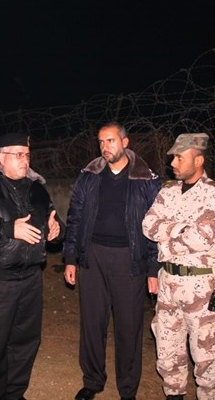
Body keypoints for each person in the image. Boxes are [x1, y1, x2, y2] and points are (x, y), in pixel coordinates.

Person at [63, 122, 161, 400]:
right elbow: (75, 217)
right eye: (101, 142)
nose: (105, 147)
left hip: (129, 259)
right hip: (93, 257)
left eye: (111, 140)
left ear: (125, 142)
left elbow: (157, 228)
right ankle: (92, 380)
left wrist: (153, 269)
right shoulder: (89, 176)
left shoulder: (146, 179)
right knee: (92, 323)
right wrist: (70, 258)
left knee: (128, 327)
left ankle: (127, 389)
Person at [0, 132, 63, 400]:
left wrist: (56, 230)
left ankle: (14, 393)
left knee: (25, 341)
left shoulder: (37, 188)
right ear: (1, 157)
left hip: (31, 278)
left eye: (27, 155)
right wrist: (8, 229)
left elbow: (52, 219)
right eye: (18, 155)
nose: (24, 160)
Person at [142, 132, 215, 400]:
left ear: (199, 160)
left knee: (206, 356)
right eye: (173, 158)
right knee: (167, 351)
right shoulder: (167, 190)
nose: (173, 163)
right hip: (168, 283)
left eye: (180, 158)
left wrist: (168, 235)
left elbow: (202, 238)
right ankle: (174, 395)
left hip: (201, 286)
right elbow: (148, 226)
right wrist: (182, 229)